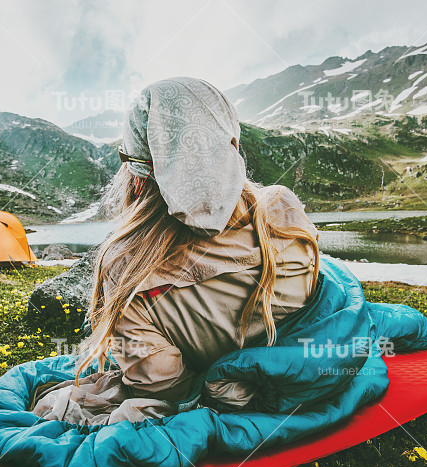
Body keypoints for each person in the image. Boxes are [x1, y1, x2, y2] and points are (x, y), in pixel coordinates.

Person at [30, 77, 319, 424]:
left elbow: (165, 388)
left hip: (221, 399)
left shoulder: (125, 273)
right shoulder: (283, 208)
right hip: (299, 379)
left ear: (140, 169)